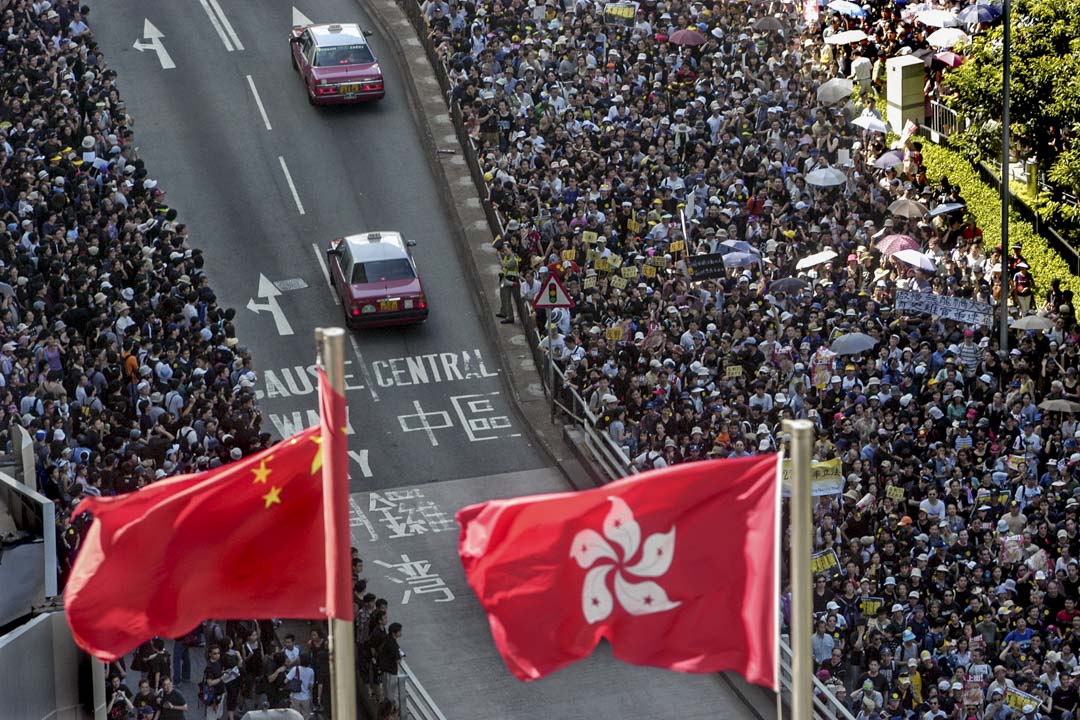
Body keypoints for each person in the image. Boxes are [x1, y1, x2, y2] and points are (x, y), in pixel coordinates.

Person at [496, 242, 520, 324]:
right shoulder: (507, 256)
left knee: (507, 298)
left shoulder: (513, 259)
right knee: (503, 295)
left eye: (506, 250)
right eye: (504, 250)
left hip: (510, 280)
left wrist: (499, 256)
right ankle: (503, 312)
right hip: (504, 278)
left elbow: (504, 265)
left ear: (510, 249)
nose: (505, 252)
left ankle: (510, 317)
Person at [287, 654, 315, 718]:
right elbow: (311, 686)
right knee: (305, 716)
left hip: (295, 696)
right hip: (306, 697)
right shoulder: (311, 671)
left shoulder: (295, 669)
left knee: (295, 716)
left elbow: (286, 680)